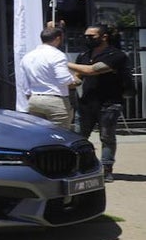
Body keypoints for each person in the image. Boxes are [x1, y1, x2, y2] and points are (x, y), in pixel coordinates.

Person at [67, 24, 127, 183]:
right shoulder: (84, 55)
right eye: (86, 36)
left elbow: (92, 70)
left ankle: (106, 169)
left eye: (91, 36)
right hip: (86, 103)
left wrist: (61, 62)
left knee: (107, 137)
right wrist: (66, 82)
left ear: (104, 37)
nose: (87, 39)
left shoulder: (116, 55)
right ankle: (80, 167)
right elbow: (79, 77)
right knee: (79, 138)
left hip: (109, 104)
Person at [16, 25, 77, 130]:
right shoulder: (57, 55)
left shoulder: (28, 56)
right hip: (55, 100)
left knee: (39, 134)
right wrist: (74, 79)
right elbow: (64, 80)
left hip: (34, 99)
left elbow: (25, 83)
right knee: (60, 134)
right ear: (58, 38)